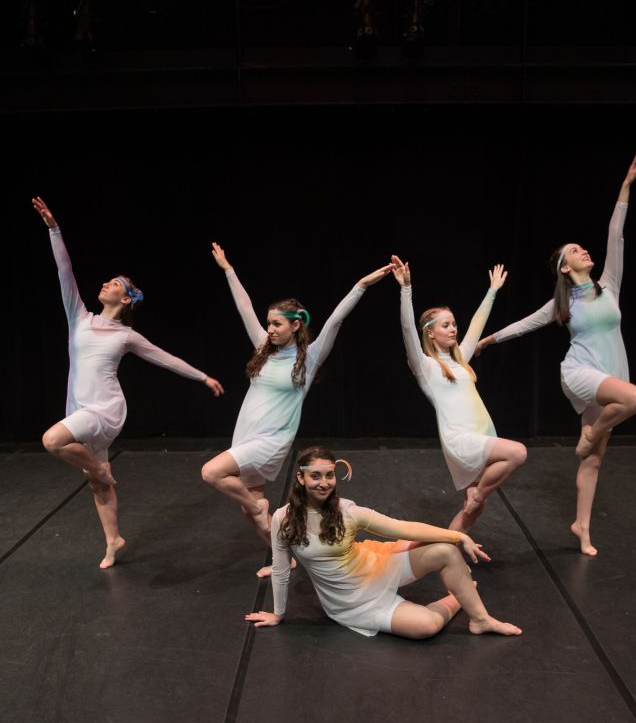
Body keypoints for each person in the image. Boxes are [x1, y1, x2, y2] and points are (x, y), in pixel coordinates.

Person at [32, 196, 224, 569]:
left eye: (115, 283)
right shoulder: (79, 317)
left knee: (53, 441)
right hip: (79, 409)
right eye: (108, 280)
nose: (106, 283)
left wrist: (202, 376)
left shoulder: (126, 335)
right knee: (98, 486)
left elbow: (164, 357)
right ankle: (113, 540)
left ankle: (100, 469)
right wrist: (54, 230)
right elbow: (64, 271)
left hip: (104, 410)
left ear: (125, 299)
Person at [476, 151, 636, 556]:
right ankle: (589, 436)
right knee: (634, 399)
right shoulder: (561, 303)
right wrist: (487, 340)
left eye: (582, 247)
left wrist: (625, 187)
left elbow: (616, 234)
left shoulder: (609, 285)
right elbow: (524, 325)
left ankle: (582, 528)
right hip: (581, 372)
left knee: (593, 461)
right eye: (574, 250)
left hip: (612, 373)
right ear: (564, 268)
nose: (583, 251)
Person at [202, 244, 392, 572]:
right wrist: (228, 269)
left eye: (277, 324)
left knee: (212, 473)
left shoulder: (310, 358)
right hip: (245, 434)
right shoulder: (263, 349)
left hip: (271, 440)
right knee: (250, 510)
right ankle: (284, 561)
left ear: (295, 326)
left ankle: (258, 508)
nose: (270, 329)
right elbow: (244, 307)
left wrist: (362, 284)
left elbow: (336, 319)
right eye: (268, 324)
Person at [245, 446, 522, 639]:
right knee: (426, 626)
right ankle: (457, 596)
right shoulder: (283, 519)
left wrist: (459, 536)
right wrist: (278, 614)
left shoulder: (348, 511)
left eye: (329, 475)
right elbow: (281, 569)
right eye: (315, 476)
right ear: (301, 478)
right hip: (350, 605)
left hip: (376, 567)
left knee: (447, 551)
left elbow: (402, 527)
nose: (324, 483)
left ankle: (480, 619)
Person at [390, 254, 526, 533]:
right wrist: (406, 289)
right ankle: (477, 495)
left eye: (453, 324)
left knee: (474, 509)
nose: (453, 329)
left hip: (481, 432)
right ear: (430, 333)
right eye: (445, 325)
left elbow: (477, 325)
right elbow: (407, 330)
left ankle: (450, 547)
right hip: (461, 439)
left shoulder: (461, 359)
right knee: (517, 453)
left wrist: (492, 291)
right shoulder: (426, 366)